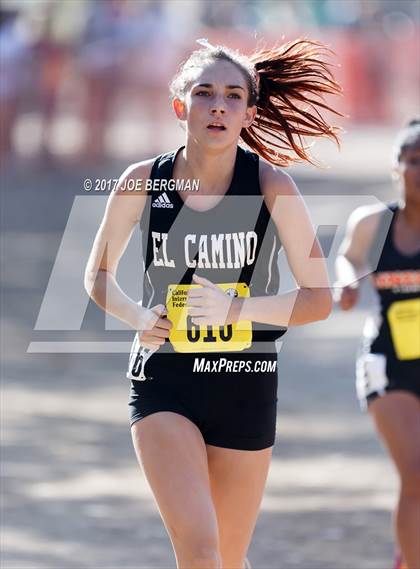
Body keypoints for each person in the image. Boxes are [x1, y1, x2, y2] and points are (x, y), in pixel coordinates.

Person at [85, 38, 341, 569]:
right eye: (204, 94)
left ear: (249, 113)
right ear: (181, 106)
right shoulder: (141, 182)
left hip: (245, 380)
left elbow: (319, 299)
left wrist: (236, 310)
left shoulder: (271, 185)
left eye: (231, 96)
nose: (218, 106)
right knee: (200, 550)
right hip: (165, 379)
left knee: (227, 557)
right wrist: (138, 318)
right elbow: (98, 274)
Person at [335, 120, 420, 569]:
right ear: (396, 167)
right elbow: (348, 258)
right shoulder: (372, 223)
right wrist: (347, 285)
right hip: (388, 362)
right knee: (416, 474)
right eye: (413, 161)